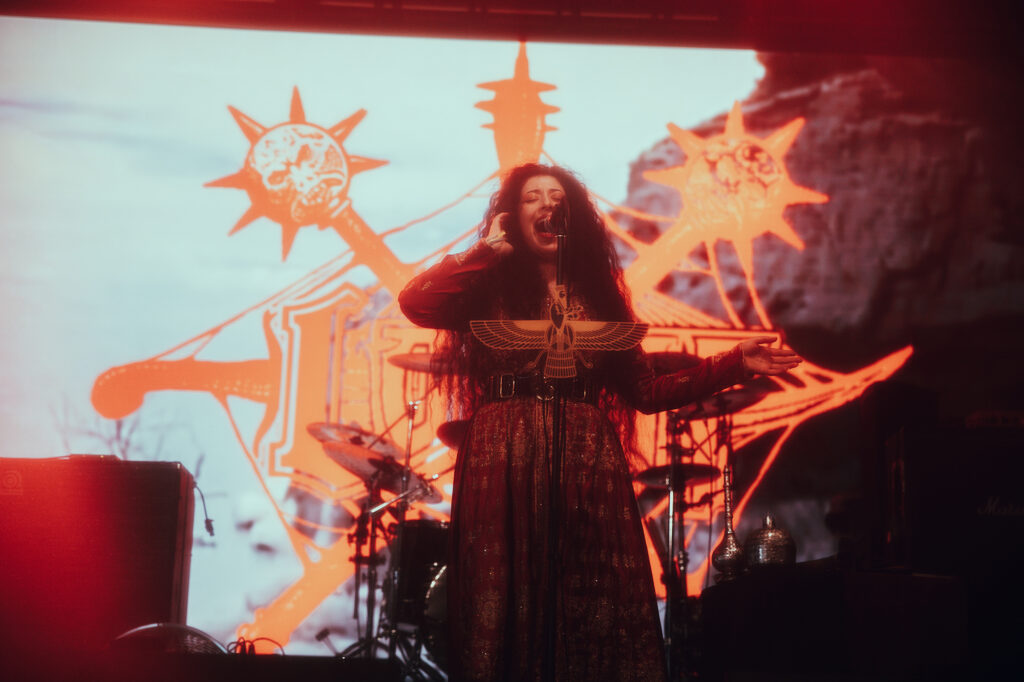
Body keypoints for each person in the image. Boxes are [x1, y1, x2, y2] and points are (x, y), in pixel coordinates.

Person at [399, 163, 801, 681]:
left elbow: (648, 392)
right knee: (504, 596)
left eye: (557, 197)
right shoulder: (486, 284)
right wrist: (485, 252)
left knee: (583, 598)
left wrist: (735, 364)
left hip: (585, 460)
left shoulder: (601, 296)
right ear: (512, 215)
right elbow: (416, 304)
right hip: (503, 454)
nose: (547, 205)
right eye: (532, 198)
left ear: (574, 219)